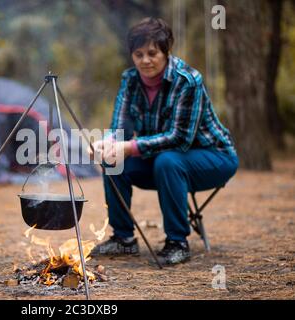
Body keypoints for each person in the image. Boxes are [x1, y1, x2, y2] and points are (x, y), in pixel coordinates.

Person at [89, 17, 239, 265]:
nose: (145, 60)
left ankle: (177, 242)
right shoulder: (130, 80)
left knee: (169, 161)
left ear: (166, 52)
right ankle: (123, 239)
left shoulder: (188, 81)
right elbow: (119, 129)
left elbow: (180, 139)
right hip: (160, 158)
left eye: (152, 53)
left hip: (213, 157)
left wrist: (129, 147)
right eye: (138, 54)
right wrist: (103, 144)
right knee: (113, 161)